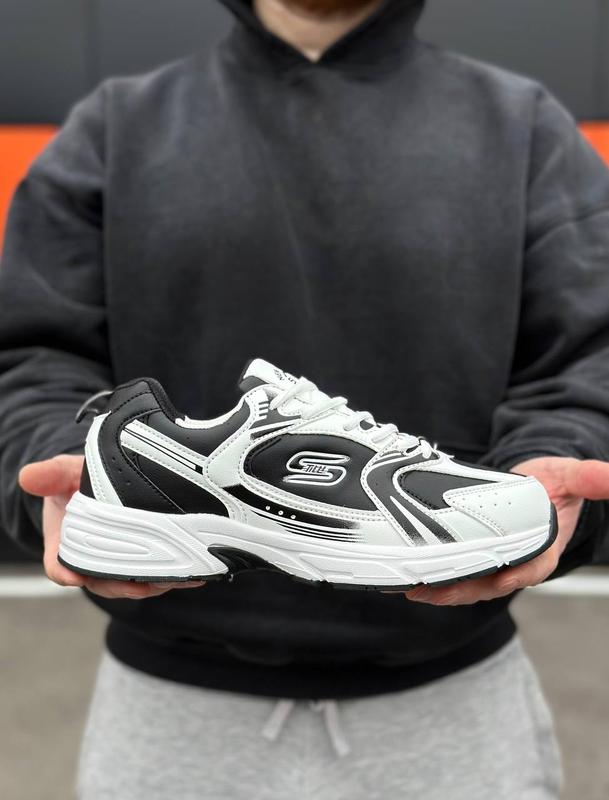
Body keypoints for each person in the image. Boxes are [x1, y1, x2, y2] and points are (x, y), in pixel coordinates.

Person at [1, 0, 609, 797]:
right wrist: (63, 471)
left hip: (454, 708)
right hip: (168, 718)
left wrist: (554, 461)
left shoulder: (523, 125)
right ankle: (163, 489)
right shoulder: (115, 127)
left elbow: (589, 357)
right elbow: (33, 357)